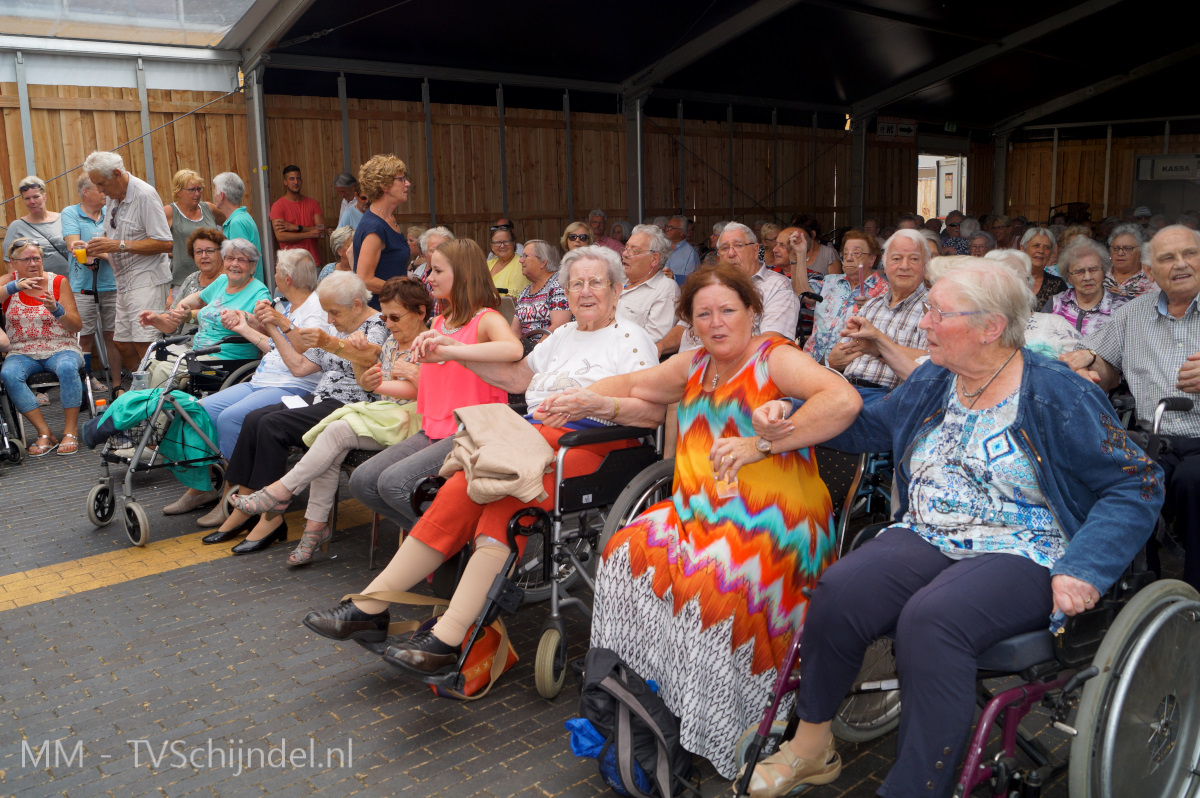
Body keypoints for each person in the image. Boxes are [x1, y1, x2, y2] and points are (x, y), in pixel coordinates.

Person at [744, 260, 1163, 798]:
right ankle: (810, 747)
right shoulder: (936, 379)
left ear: (990, 327)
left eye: (938, 313)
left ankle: (917, 786)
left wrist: (1087, 567)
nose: (923, 324)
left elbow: (1136, 484)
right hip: (929, 530)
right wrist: (793, 414)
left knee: (932, 620)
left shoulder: (1058, 393)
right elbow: (871, 424)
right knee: (841, 589)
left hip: (1024, 546)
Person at [565, 264, 861, 779]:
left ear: (752, 311)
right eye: (704, 314)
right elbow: (637, 382)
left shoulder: (774, 359)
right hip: (700, 509)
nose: (717, 322)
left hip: (776, 522)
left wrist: (761, 442)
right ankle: (660, 691)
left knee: (714, 585)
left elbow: (844, 399)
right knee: (624, 554)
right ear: (691, 321)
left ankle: (731, 718)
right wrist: (587, 399)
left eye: (728, 310)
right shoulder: (694, 366)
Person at [303, 247, 662, 669]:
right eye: (576, 284)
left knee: (505, 496)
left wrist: (595, 405)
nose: (585, 292)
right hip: (533, 438)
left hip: (591, 445)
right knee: (461, 486)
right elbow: (514, 378)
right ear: (564, 291)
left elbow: (652, 413)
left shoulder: (630, 338)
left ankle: (450, 635)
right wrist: (453, 353)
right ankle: (371, 607)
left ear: (617, 290)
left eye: (595, 282)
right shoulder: (562, 337)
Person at [228, 277, 430, 566]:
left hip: (409, 421)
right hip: (384, 418)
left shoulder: (426, 343)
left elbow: (410, 392)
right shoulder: (392, 343)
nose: (388, 324)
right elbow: (364, 380)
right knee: (327, 443)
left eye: (395, 317)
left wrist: (376, 381)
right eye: (385, 316)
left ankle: (280, 493)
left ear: (421, 312)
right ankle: (313, 528)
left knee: (330, 430)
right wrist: (366, 370)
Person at [203, 271, 387, 552]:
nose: (330, 320)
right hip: (321, 398)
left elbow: (369, 355)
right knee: (254, 419)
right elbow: (300, 366)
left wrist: (320, 338)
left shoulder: (376, 325)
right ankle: (243, 506)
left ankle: (270, 517)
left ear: (357, 305)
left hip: (352, 405)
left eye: (333, 312)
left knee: (273, 425)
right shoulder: (340, 325)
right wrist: (275, 328)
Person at [348, 238, 521, 533]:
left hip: (471, 433)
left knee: (392, 483)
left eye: (438, 271)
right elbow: (423, 389)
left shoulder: (485, 319)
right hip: (433, 431)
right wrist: (377, 386)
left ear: (463, 275)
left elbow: (513, 350)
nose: (429, 277)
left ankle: (444, 541)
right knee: (362, 482)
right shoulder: (440, 322)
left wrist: (453, 350)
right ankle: (441, 540)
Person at [1062, 225, 1200, 590]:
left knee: (1193, 482)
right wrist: (1088, 365)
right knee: (1113, 475)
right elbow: (1105, 363)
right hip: (1154, 438)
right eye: (1168, 258)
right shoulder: (1134, 312)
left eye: (1190, 254)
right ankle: (1143, 587)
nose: (1181, 264)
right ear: (1151, 273)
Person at [136, 238, 271, 389]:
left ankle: (157, 412)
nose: (234, 264)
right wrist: (179, 309)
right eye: (230, 258)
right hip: (200, 352)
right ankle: (140, 410)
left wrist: (244, 317)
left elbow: (268, 332)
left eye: (242, 260)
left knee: (164, 370)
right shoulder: (222, 281)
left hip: (226, 360)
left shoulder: (259, 293)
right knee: (150, 363)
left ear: (253, 266)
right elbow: (198, 299)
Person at [82, 151, 173, 368]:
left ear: (116, 173)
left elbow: (166, 243)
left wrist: (118, 245)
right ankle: (140, 388)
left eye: (101, 183)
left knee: (146, 344)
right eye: (96, 185)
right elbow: (111, 240)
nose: (100, 190)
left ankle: (155, 393)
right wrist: (96, 248)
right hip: (122, 282)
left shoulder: (145, 195)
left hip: (147, 280)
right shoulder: (113, 199)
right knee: (121, 343)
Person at [657, 223, 798, 356]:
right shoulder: (707, 284)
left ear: (755, 250)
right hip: (685, 368)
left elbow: (770, 342)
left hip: (734, 371)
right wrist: (659, 347)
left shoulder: (776, 286)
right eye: (724, 248)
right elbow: (683, 328)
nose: (731, 253)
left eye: (738, 245)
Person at [0, 239, 84, 456]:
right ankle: (44, 432)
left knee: (67, 367)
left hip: (61, 346)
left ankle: (70, 430)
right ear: (13, 264)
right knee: (8, 374)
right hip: (21, 350)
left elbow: (76, 325)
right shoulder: (8, 283)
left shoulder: (57, 282)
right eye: (26, 259)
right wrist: (14, 286)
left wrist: (57, 310)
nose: (33, 263)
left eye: (36, 258)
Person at [827, 229, 930, 403]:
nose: (904, 266)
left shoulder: (932, 308)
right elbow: (834, 360)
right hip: (846, 388)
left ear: (925, 265)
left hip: (889, 397)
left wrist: (876, 347)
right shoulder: (871, 305)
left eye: (914, 259)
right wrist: (866, 347)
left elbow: (931, 364)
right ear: (885, 263)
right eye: (896, 259)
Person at [61, 172, 120, 391]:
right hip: (82, 286)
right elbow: (73, 245)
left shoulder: (112, 211)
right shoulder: (70, 213)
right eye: (99, 188)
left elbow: (117, 245)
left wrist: (99, 251)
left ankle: (117, 383)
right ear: (85, 192)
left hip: (112, 284)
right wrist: (105, 251)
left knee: (113, 336)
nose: (104, 192)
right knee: (83, 337)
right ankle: (84, 385)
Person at [801, 228, 888, 363]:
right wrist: (799, 256)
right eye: (845, 253)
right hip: (811, 358)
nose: (848, 258)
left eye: (857, 253)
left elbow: (887, 335)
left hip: (849, 365)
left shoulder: (884, 291)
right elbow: (803, 293)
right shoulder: (830, 281)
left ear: (872, 259)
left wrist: (873, 308)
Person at [353, 154, 411, 310]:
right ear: (385, 185)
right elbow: (364, 279)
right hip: (380, 314)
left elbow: (350, 253)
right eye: (402, 179)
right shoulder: (375, 227)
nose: (408, 184)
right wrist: (405, 292)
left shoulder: (387, 219)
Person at [1046, 239, 1131, 335]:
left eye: (1093, 269)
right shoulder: (1056, 303)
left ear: (1103, 271)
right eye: (1079, 271)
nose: (1087, 277)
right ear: (1069, 277)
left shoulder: (1124, 307)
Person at [616, 224, 680, 343]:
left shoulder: (665, 289)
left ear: (654, 259)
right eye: (626, 248)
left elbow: (652, 340)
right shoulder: (617, 280)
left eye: (634, 251)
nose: (624, 254)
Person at [163, 169, 222, 289]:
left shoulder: (209, 208)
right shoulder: (169, 212)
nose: (197, 194)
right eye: (192, 190)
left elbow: (229, 223)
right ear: (178, 191)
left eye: (199, 189)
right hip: (182, 282)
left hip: (213, 280)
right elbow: (152, 238)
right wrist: (167, 250)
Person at [3, 176, 69, 277]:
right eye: (27, 198)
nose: (32, 202)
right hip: (38, 286)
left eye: (36, 197)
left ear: (44, 197)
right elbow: (10, 264)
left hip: (72, 283)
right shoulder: (17, 227)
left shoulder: (64, 219)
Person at [168, 228, 227, 336]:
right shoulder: (191, 279)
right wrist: (156, 319)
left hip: (215, 346)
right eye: (199, 252)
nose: (204, 256)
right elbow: (173, 320)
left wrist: (190, 316)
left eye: (209, 251)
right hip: (183, 343)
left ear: (222, 253)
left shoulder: (229, 281)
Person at [511, 240, 570, 337]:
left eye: (526, 256)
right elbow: (515, 330)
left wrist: (535, 351)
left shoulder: (559, 285)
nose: (520, 260)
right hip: (525, 348)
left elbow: (559, 326)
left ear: (543, 262)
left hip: (550, 348)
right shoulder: (525, 292)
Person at [212, 172, 263, 282]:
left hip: (243, 290)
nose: (214, 195)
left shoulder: (237, 222)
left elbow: (239, 264)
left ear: (222, 195)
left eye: (215, 190)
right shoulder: (241, 218)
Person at [270, 165, 324, 264]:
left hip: (312, 262)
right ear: (285, 182)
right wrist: (309, 233)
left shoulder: (313, 203)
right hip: (290, 264)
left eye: (298, 178)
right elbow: (280, 236)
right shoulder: (278, 206)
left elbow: (321, 231)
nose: (296, 182)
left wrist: (297, 228)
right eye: (292, 179)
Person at [1020, 227, 1066, 309]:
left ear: (1050, 254)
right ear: (1023, 249)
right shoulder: (1009, 279)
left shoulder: (1058, 284)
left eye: (1047, 247)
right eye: (1036, 245)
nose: (1041, 251)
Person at [1104, 223, 1154, 297]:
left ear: (1141, 251)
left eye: (1127, 248)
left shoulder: (1151, 278)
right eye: (1115, 248)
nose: (1120, 253)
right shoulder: (1099, 275)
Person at [486, 223, 529, 297]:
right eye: (497, 242)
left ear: (514, 243)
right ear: (492, 246)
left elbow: (511, 301)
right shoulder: (488, 264)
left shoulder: (521, 263)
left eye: (506, 241)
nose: (502, 246)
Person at [663, 214, 700, 286]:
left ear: (681, 232)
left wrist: (674, 278)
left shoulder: (690, 253)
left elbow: (691, 281)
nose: (667, 229)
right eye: (667, 226)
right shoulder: (660, 247)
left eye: (671, 228)